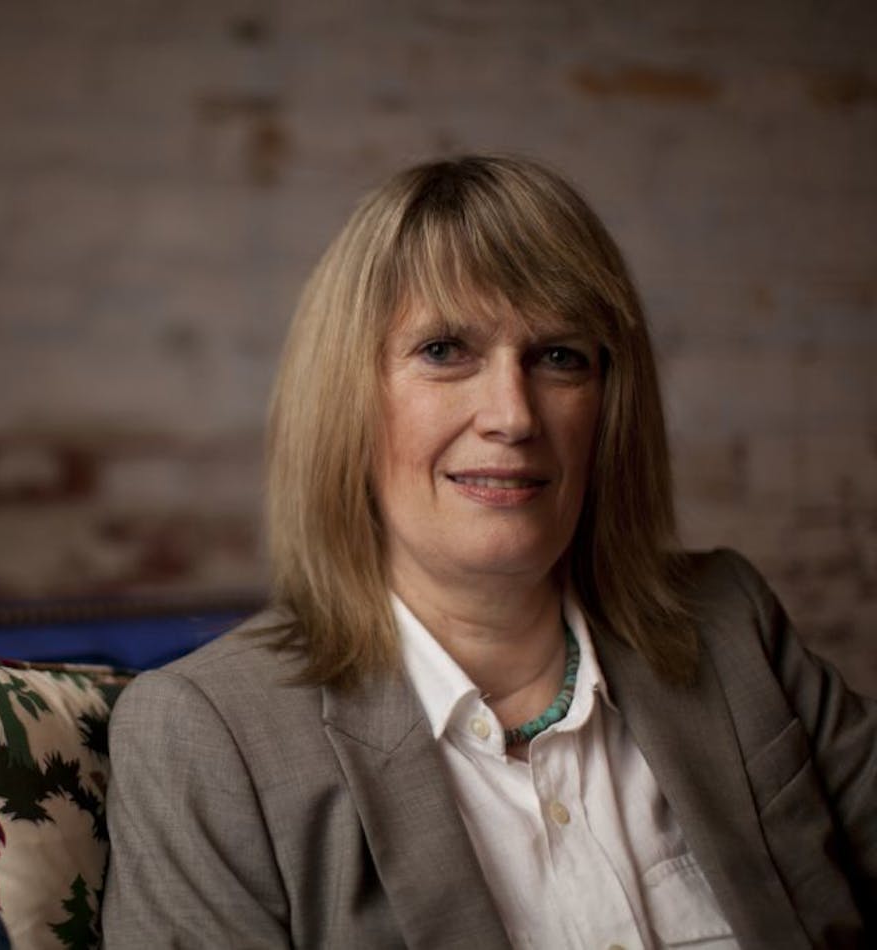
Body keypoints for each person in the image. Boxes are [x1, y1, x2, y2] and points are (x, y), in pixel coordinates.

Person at [101, 155, 876, 948]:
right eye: (444, 350)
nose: (512, 415)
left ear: (608, 406)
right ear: (346, 400)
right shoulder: (208, 737)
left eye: (559, 356)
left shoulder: (731, 622)